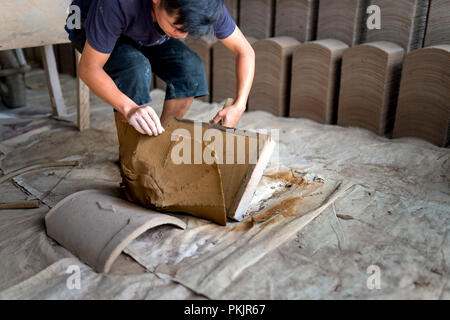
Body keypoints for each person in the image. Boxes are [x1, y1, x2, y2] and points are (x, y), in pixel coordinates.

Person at [66, 0, 255, 136]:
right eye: (178, 27)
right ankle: (131, 155)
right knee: (134, 67)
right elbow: (89, 68)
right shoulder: (117, 4)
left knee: (190, 69)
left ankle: (158, 139)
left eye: (189, 30)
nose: (183, 36)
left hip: (148, 29)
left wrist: (239, 105)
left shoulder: (205, 6)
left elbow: (245, 51)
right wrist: (130, 108)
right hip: (91, 24)